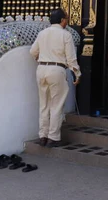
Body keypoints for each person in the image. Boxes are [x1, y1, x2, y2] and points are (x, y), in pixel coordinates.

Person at [30, 9, 81, 148]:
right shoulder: (66, 35)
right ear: (62, 20)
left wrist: (42, 59)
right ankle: (53, 137)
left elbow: (33, 51)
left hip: (41, 69)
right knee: (56, 105)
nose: (67, 21)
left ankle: (43, 136)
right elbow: (71, 58)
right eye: (66, 18)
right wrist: (77, 73)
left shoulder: (42, 34)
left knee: (44, 105)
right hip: (57, 69)